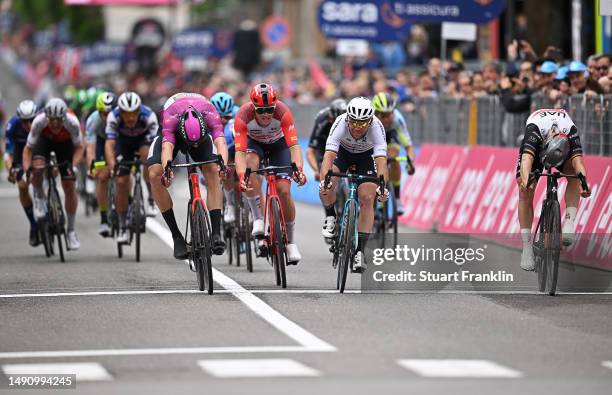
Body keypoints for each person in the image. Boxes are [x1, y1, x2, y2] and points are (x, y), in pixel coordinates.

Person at [148, 92, 228, 259]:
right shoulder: (170, 118)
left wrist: (223, 165)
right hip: (173, 136)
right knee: (154, 174)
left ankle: (216, 232)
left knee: (214, 170)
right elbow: (167, 148)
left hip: (201, 135)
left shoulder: (210, 113)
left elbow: (220, 141)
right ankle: (177, 236)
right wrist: (167, 169)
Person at [233, 83, 307, 265]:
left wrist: (299, 169)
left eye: (269, 110)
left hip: (278, 146)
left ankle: (290, 242)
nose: (266, 114)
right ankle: (258, 218)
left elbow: (294, 146)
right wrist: (242, 175)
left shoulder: (282, 112)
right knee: (250, 166)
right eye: (261, 110)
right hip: (254, 145)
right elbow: (240, 152)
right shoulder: (243, 116)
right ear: (253, 107)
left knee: (283, 190)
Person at [318, 96, 389, 273]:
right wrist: (325, 181)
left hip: (366, 157)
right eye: (354, 122)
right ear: (348, 118)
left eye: (362, 123)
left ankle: (360, 252)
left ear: (370, 120)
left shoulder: (377, 127)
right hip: (343, 153)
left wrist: (382, 186)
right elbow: (328, 156)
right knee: (327, 184)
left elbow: (381, 161)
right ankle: (331, 216)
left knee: (367, 198)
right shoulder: (340, 122)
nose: (357, 127)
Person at [516, 108, 591, 271]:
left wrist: (584, 183)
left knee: (573, 174)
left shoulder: (570, 131)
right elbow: (527, 159)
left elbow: (579, 162)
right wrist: (526, 180)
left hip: (561, 145)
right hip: (537, 149)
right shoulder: (534, 130)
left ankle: (569, 222)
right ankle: (527, 246)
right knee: (524, 192)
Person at [22, 98, 84, 250]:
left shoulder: (73, 122)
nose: (55, 125)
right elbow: (28, 149)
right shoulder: (38, 122)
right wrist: (27, 169)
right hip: (44, 141)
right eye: (52, 121)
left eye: (58, 121)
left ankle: (71, 231)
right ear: (46, 117)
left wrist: (73, 167)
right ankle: (39, 196)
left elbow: (80, 148)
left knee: (69, 184)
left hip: (65, 144)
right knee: (37, 169)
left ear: (64, 117)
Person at [105, 92, 159, 244]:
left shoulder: (149, 116)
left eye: (133, 114)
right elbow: (109, 144)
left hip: (143, 141)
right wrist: (112, 165)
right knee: (121, 182)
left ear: (139, 110)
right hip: (123, 144)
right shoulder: (113, 117)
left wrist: (153, 163)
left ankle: (150, 199)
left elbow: (156, 145)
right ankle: (122, 226)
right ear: (120, 112)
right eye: (126, 114)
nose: (130, 118)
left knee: (148, 159)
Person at [371, 92, 415, 214]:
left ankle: (397, 198)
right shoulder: (369, 118)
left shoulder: (397, 119)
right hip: (372, 136)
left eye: (389, 114)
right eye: (383, 115)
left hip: (390, 134)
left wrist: (410, 162)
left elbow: (409, 146)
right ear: (375, 112)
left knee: (393, 157)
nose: (386, 118)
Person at [5, 100, 40, 246]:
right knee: (22, 186)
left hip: (38, 150)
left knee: (41, 175)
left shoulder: (41, 122)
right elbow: (8, 154)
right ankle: (33, 224)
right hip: (20, 152)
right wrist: (11, 170)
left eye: (31, 120)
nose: (28, 125)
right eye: (24, 121)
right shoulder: (12, 126)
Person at [85, 92, 116, 237]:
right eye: (103, 113)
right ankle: (104, 218)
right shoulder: (93, 120)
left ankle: (128, 201)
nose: (107, 117)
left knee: (125, 171)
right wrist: (92, 166)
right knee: (102, 177)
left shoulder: (119, 117)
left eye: (109, 113)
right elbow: (90, 147)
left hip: (117, 140)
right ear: (99, 112)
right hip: (101, 142)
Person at [210, 92, 240, 224]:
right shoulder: (207, 116)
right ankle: (230, 204)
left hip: (234, 145)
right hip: (219, 145)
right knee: (225, 167)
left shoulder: (238, 113)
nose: (223, 120)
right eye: (219, 117)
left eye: (227, 116)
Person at [306, 98, 348, 181]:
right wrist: (317, 170)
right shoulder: (322, 120)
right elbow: (310, 151)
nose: (337, 125)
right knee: (324, 175)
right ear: (330, 118)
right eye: (334, 121)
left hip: (343, 144)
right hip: (324, 144)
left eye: (340, 123)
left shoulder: (351, 121)